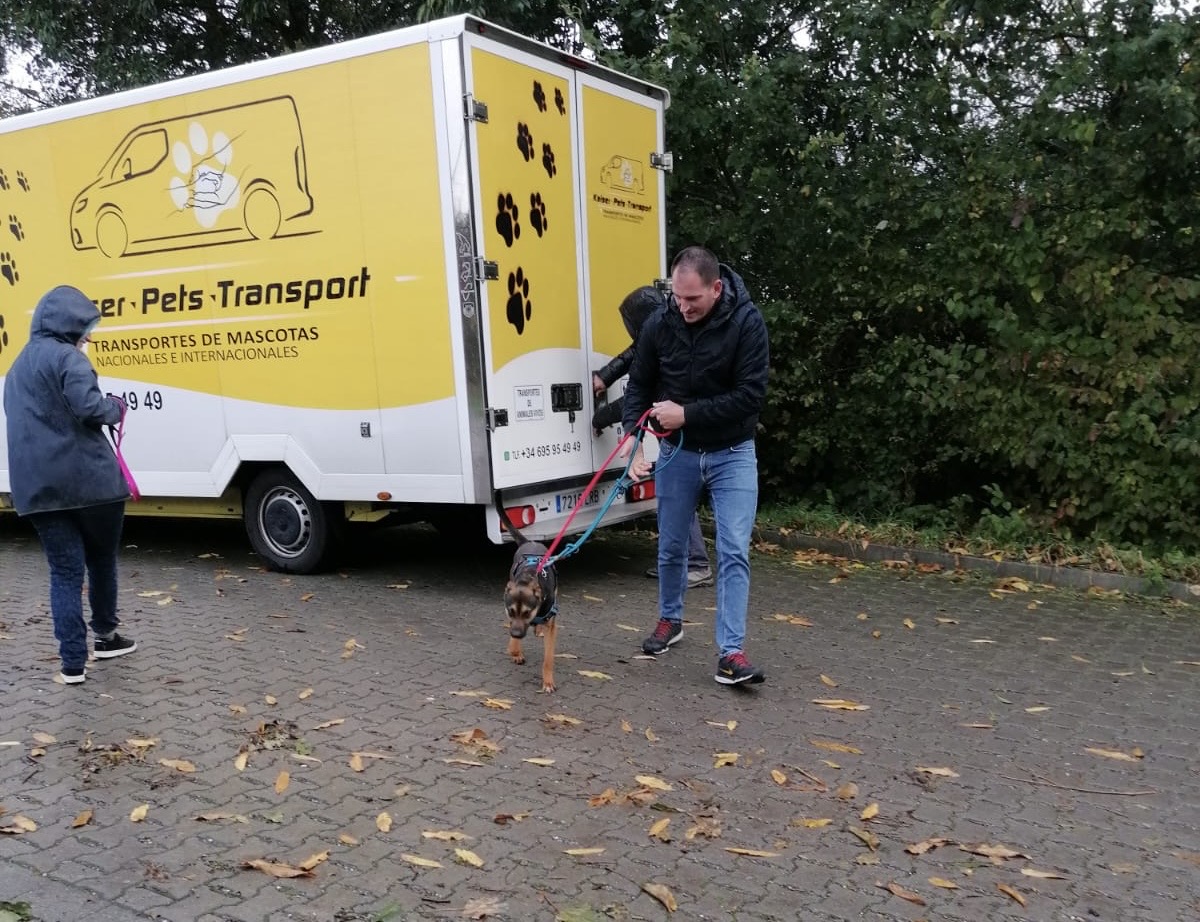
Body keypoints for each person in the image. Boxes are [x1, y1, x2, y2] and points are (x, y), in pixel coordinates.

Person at [620, 247, 769, 685]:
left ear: (716, 288)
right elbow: (639, 384)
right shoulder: (660, 322)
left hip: (732, 453)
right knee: (670, 546)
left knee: (734, 550)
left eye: (693, 299)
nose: (683, 307)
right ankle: (670, 620)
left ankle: (731, 653)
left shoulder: (747, 323)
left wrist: (686, 414)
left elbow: (750, 396)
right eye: (677, 297)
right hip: (676, 454)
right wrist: (633, 441)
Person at [3, 285, 136, 685]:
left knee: (64, 573)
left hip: (39, 491)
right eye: (85, 329)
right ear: (70, 325)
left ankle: (72, 664)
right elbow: (90, 409)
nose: (87, 338)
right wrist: (116, 407)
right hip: (92, 486)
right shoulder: (68, 358)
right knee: (101, 560)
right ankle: (107, 638)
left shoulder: (15, 369)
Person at [591, 286, 713, 589]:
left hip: (683, 437)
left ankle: (695, 564)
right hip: (682, 436)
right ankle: (683, 563)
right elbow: (634, 353)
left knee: (676, 498)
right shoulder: (668, 333)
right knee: (673, 499)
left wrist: (600, 418)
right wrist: (605, 375)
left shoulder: (670, 350)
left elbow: (638, 399)